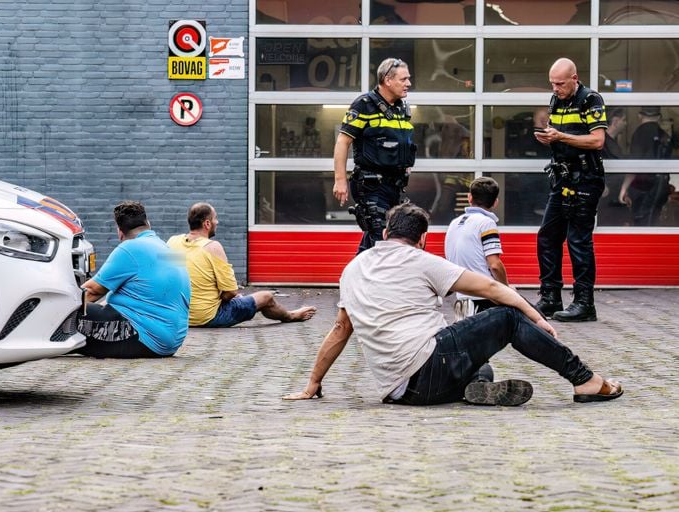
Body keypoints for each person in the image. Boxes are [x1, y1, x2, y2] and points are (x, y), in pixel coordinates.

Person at [284, 203, 623, 407]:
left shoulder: (353, 268)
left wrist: (312, 383)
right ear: (423, 239)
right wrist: (536, 317)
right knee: (504, 317)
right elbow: (492, 287)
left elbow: (341, 329)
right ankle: (585, 380)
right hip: (430, 367)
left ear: (385, 233)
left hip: (400, 392)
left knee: (481, 365)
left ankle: (475, 388)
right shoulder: (422, 260)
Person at [533, 58, 607, 322]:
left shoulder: (590, 100)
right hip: (562, 178)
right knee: (548, 236)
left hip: (586, 178)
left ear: (575, 78)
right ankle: (551, 298)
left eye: (560, 83)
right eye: (552, 83)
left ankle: (585, 303)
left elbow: (597, 141)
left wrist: (561, 137)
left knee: (578, 240)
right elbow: (562, 137)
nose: (555, 88)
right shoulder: (556, 101)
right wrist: (548, 138)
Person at [168, 202, 317, 327]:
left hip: (180, 316)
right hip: (206, 317)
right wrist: (228, 297)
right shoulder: (212, 247)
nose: (217, 222)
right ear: (207, 223)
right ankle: (291, 316)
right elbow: (231, 292)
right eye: (215, 218)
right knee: (266, 297)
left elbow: (168, 277)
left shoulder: (172, 242)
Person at [77, 201, 190, 358]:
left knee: (66, 312)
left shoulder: (130, 248)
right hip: (171, 341)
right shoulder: (168, 250)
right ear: (148, 224)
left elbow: (93, 291)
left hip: (143, 336)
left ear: (120, 232)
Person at [333, 57, 417, 253]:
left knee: (378, 239)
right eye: (403, 79)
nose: (408, 84)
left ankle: (355, 280)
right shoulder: (364, 105)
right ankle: (378, 283)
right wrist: (340, 179)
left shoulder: (401, 108)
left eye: (408, 79)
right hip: (371, 186)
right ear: (388, 80)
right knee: (384, 240)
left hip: (394, 185)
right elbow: (343, 141)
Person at [445, 177, 507, 320]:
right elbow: (495, 265)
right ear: (496, 202)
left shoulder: (454, 223)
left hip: (461, 299)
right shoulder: (487, 223)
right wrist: (506, 290)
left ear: (469, 197)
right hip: (484, 299)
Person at [619, 107, 672, 226]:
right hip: (660, 186)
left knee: (641, 223)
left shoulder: (640, 133)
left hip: (643, 187)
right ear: (659, 117)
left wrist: (624, 188)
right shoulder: (664, 135)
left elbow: (635, 163)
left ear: (639, 116)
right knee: (652, 222)